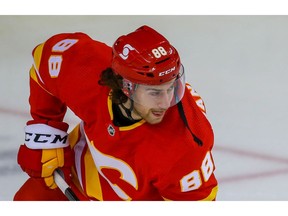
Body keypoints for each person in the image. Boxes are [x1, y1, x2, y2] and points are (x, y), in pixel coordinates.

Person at [14, 25, 218, 201]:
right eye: (155, 92)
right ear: (125, 87)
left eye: (172, 87)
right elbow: (45, 60)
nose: (166, 102)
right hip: (71, 180)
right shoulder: (87, 70)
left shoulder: (185, 148)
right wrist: (46, 128)